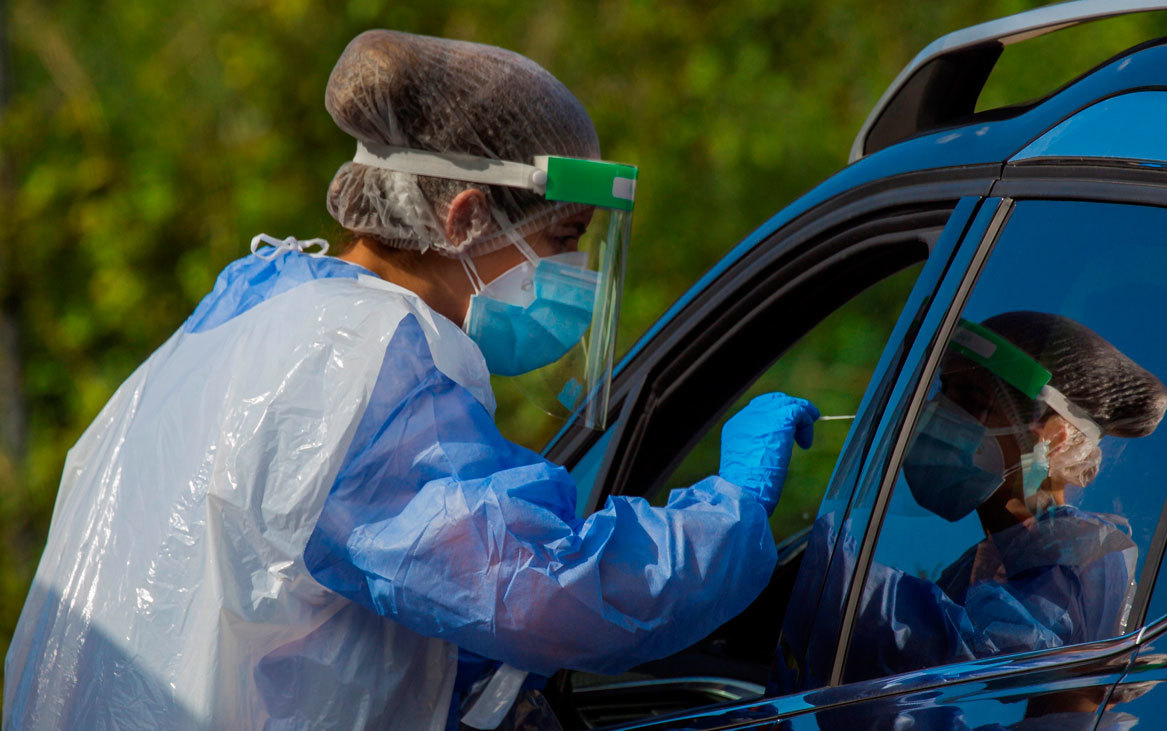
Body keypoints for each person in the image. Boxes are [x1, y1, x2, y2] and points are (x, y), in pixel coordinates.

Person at [3, 30, 819, 730]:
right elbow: (547, 590)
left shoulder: (247, 315)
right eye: (566, 237)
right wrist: (732, 512)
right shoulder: (361, 367)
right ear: (464, 218)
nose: (577, 274)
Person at [846, 311, 1167, 682]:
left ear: (1054, 435)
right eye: (944, 393)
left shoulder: (1081, 556)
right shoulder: (985, 561)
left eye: (972, 400)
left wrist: (836, 577)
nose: (939, 414)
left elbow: (972, 663)